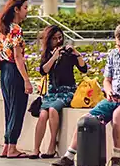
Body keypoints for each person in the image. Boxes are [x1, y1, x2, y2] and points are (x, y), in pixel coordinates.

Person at [50, 23, 120, 166]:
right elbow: (107, 80)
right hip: (113, 97)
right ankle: (69, 156)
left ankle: (116, 157)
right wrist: (108, 92)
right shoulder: (114, 54)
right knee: (86, 119)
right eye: (119, 46)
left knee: (118, 114)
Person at [30, 26, 88, 159]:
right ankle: (36, 149)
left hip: (67, 90)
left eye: (60, 38)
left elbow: (83, 69)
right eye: (54, 38)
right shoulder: (47, 54)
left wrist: (76, 53)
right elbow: (43, 70)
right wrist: (54, 56)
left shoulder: (68, 53)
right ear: (49, 40)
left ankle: (52, 146)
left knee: (53, 109)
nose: (58, 41)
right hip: (52, 91)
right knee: (43, 114)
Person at [0, 0, 33, 159]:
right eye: (25, 8)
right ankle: (12, 147)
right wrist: (27, 79)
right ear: (16, 9)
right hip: (15, 70)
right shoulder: (16, 29)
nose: (27, 12)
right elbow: (18, 57)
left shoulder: (4, 28)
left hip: (5, 71)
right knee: (17, 109)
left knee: (9, 109)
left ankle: (6, 145)